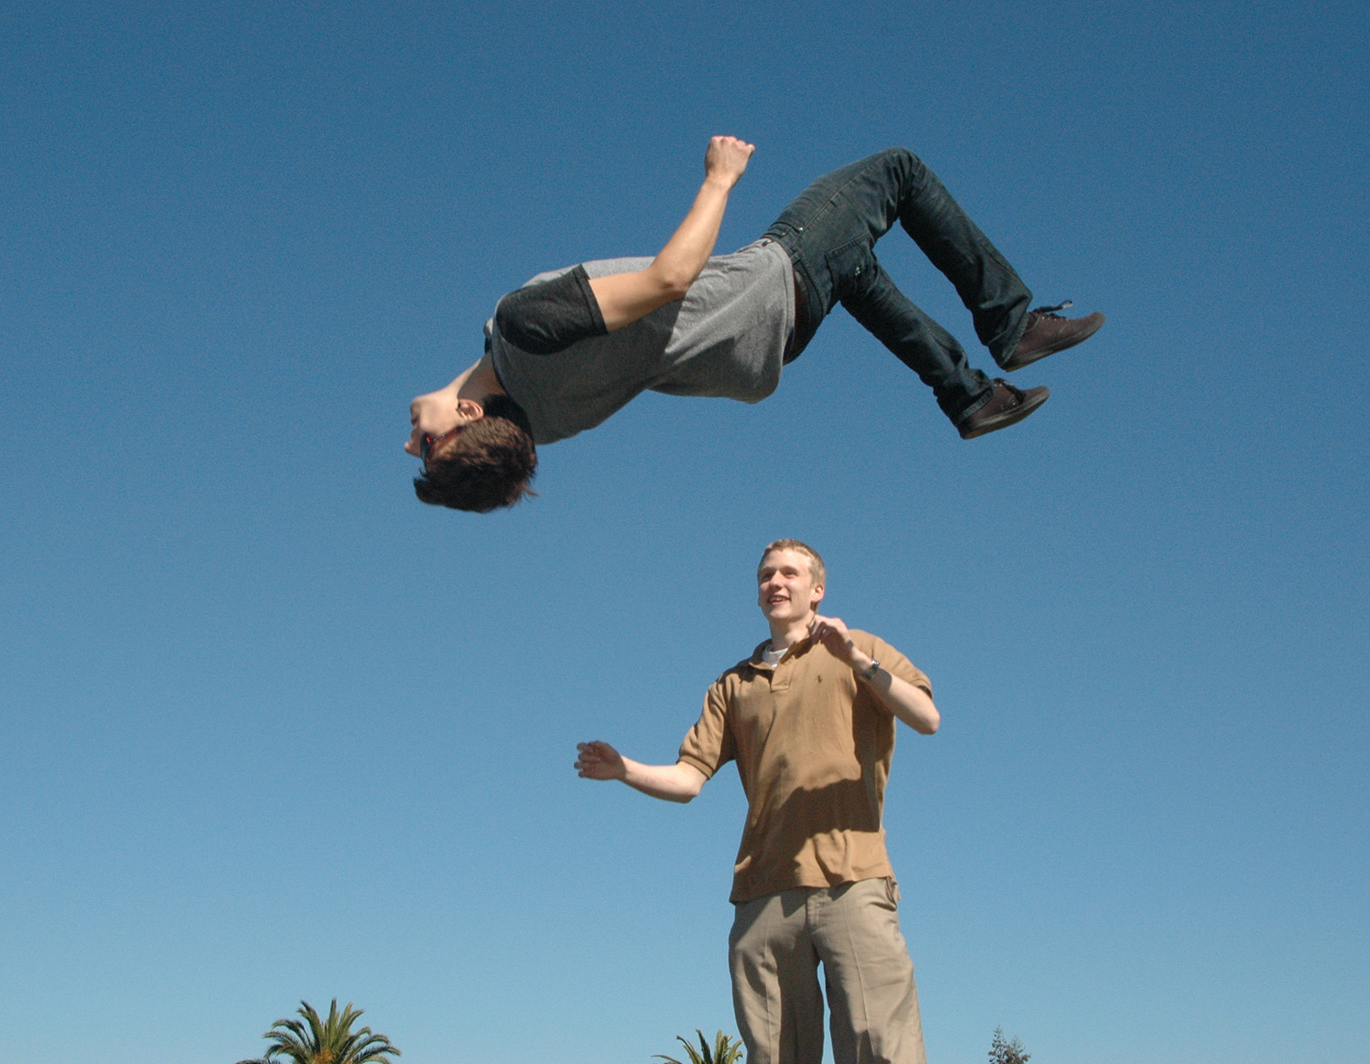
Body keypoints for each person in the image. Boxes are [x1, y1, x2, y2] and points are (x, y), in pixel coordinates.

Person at [404, 137, 1104, 512]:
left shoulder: (537, 427)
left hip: (766, 351)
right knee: (899, 171)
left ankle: (968, 394)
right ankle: (1011, 326)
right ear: (469, 413)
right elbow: (668, 281)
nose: (411, 442)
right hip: (767, 284)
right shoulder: (522, 327)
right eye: (427, 442)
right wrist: (719, 179)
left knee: (854, 268)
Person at [575, 539, 940, 1064]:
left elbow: (927, 718)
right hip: (764, 891)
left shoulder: (856, 648)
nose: (776, 582)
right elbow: (688, 780)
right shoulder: (733, 685)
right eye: (767, 574)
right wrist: (624, 769)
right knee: (773, 1054)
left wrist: (858, 660)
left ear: (817, 590)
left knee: (880, 1047)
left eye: (790, 573)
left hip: (853, 880)